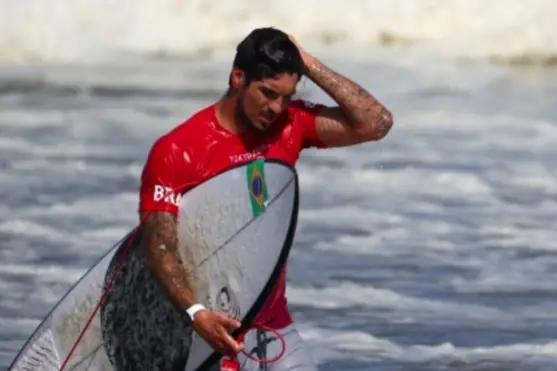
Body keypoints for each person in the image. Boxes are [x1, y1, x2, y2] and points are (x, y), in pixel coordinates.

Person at [138, 27, 393, 371]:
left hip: (272, 325)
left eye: (286, 97)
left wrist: (306, 63)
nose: (277, 108)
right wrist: (196, 314)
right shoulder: (177, 150)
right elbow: (159, 247)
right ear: (238, 77)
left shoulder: (290, 126)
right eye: (268, 93)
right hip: (203, 332)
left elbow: (375, 123)